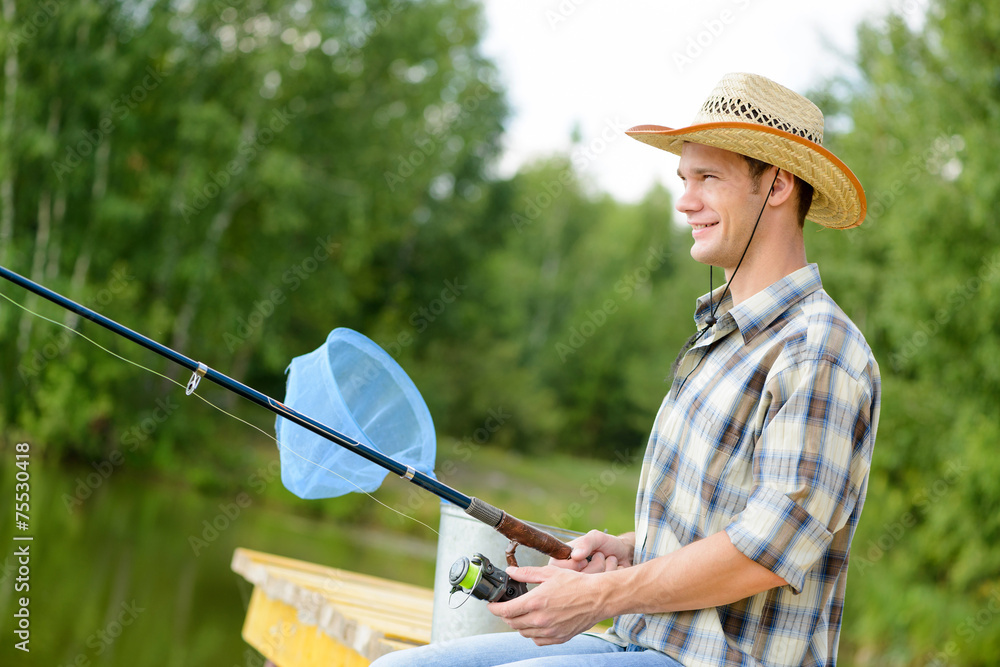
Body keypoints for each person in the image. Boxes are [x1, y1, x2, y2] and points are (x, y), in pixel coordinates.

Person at [371, 72, 881, 667]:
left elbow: (763, 552)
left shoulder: (821, 352)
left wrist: (597, 595)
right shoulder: (722, 335)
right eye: (684, 179)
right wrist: (630, 551)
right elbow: (717, 525)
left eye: (708, 179)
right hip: (638, 639)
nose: (685, 201)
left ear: (776, 185)